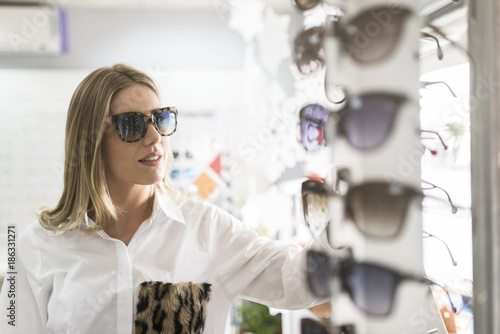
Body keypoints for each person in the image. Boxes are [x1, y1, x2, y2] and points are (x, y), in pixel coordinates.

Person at [0, 64, 332, 333]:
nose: (154, 136)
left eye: (161, 118)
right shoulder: (35, 246)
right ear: (90, 140)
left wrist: (353, 213)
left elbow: (298, 280)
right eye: (131, 125)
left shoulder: (205, 229)